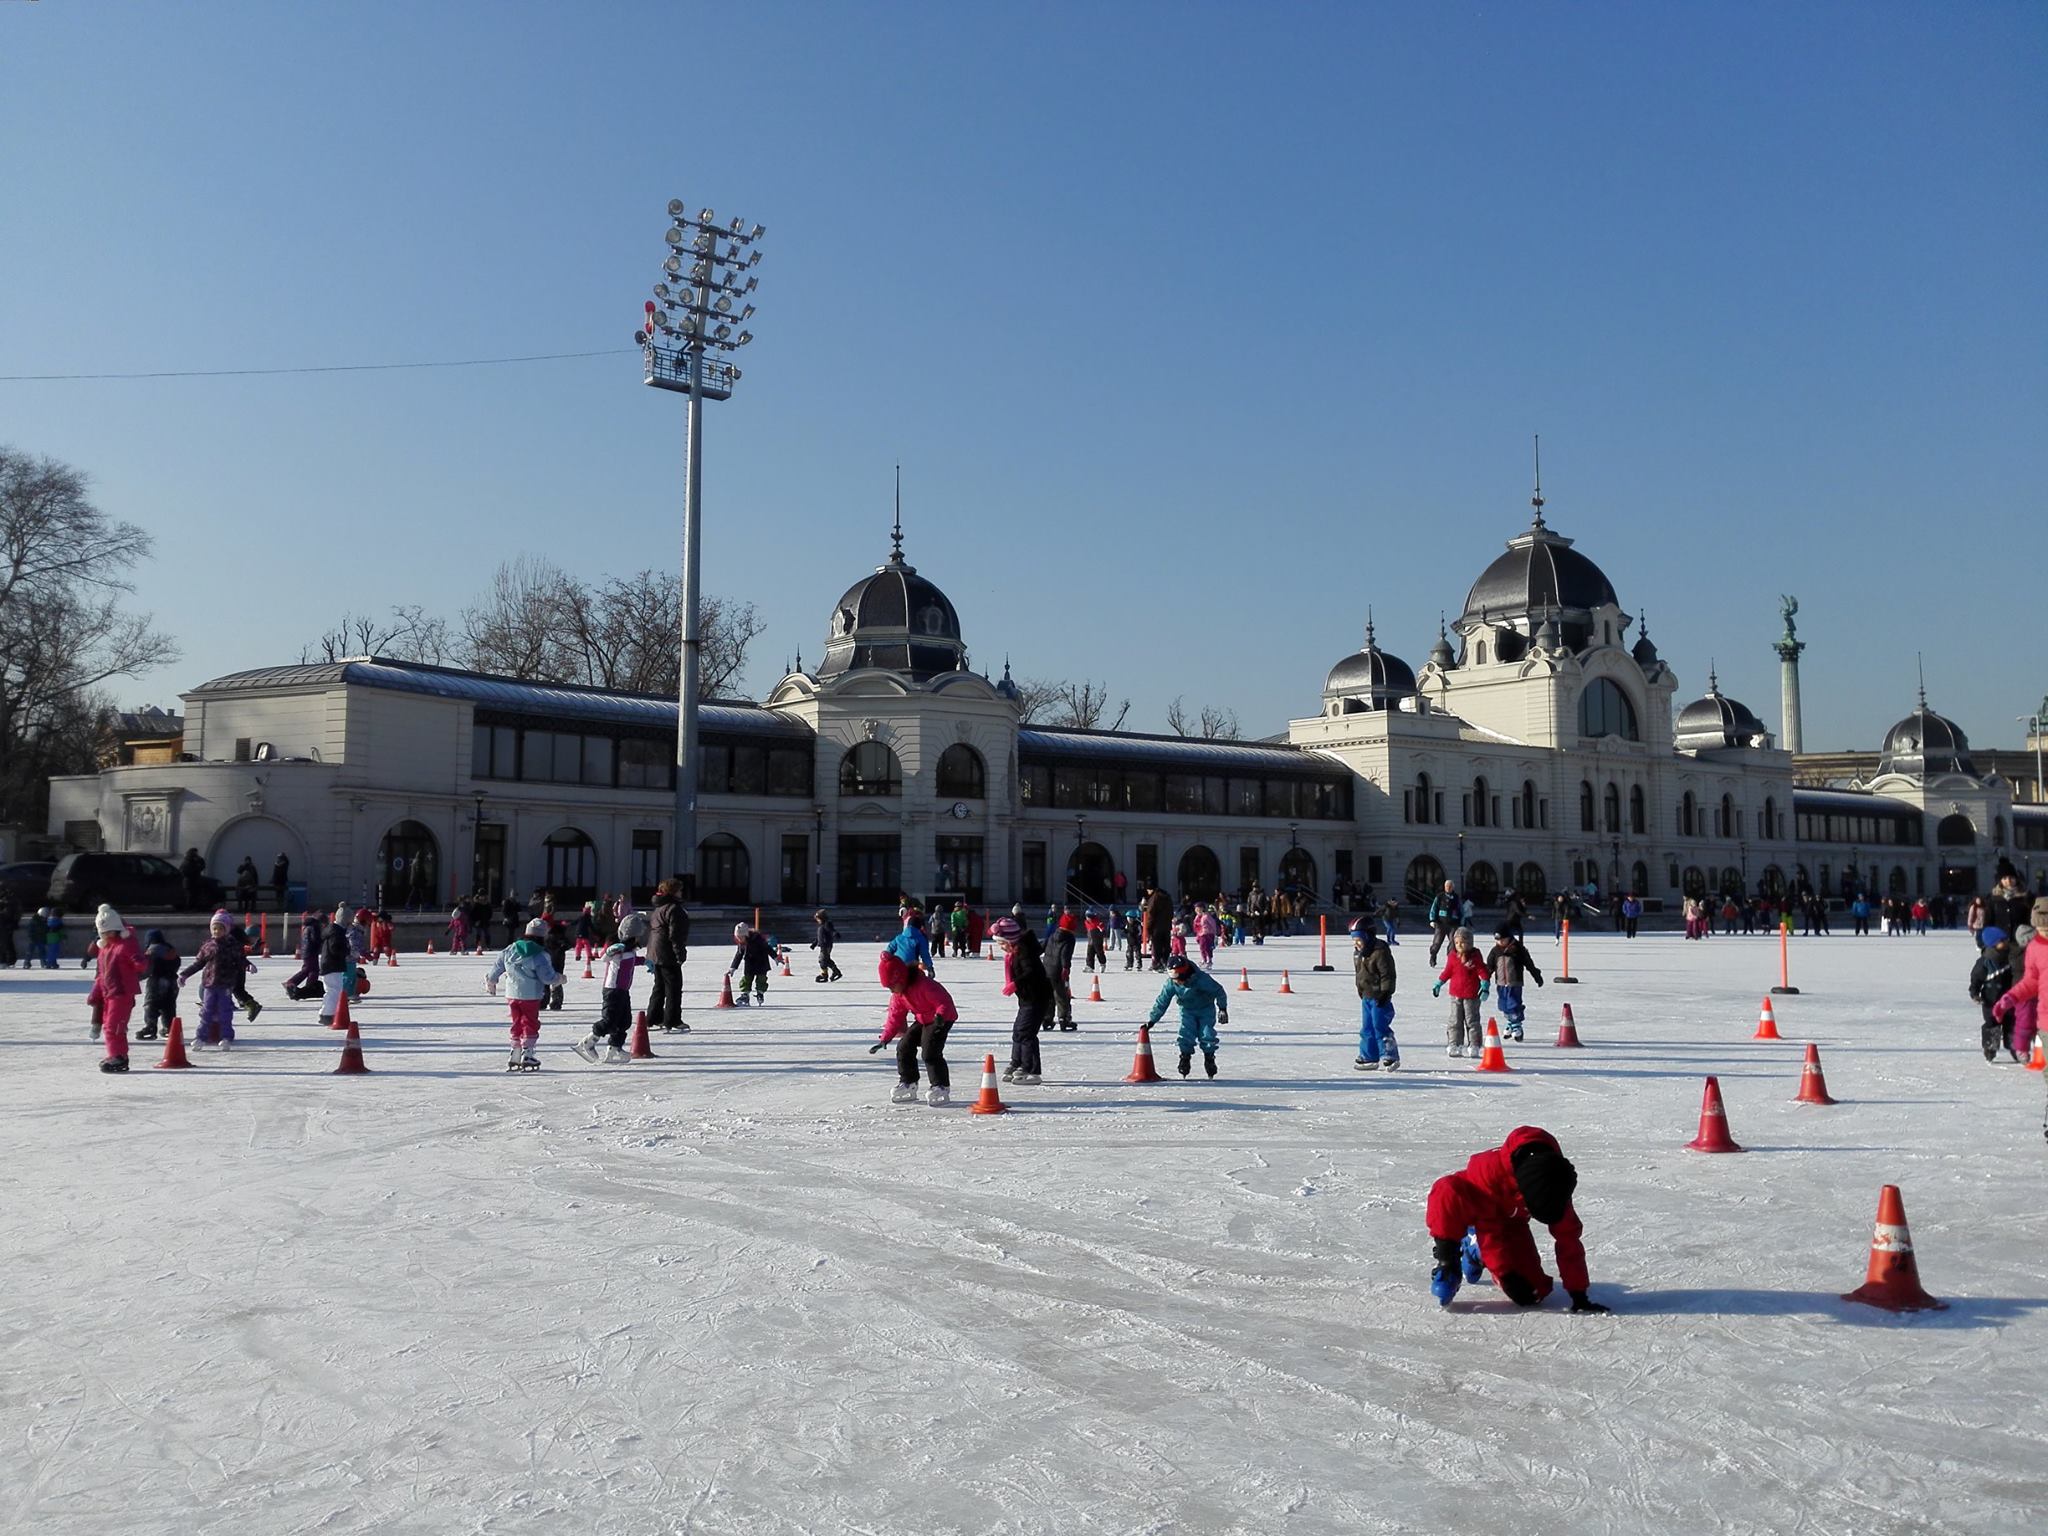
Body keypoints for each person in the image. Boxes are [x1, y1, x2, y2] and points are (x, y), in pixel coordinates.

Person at [1426, 1126, 1607, 1312]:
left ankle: (1477, 1253)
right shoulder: (1490, 1172)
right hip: (1477, 1211)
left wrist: (1578, 1294)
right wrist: (1506, 1275)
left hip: (1513, 1220)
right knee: (1446, 1189)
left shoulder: (1554, 1179)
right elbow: (1490, 1229)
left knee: (1534, 1293)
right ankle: (1450, 1262)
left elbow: (1568, 1237)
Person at [881, 949, 958, 1105]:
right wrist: (885, 1038)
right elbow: (894, 1016)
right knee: (904, 1046)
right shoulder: (899, 995)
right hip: (923, 1018)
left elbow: (944, 1001)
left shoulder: (924, 985)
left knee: (930, 1052)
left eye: (892, 986)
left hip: (942, 1018)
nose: (891, 990)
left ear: (901, 979)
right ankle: (908, 1083)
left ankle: (940, 1086)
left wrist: (940, 1016)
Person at [487, 917, 563, 1071]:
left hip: (512, 995)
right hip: (531, 995)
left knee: (516, 1022)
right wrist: (559, 978)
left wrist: (492, 980)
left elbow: (497, 966)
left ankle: (515, 1052)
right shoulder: (540, 955)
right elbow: (546, 977)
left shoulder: (510, 949)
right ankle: (527, 1053)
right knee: (530, 1022)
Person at [574, 911, 647, 1064]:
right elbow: (604, 957)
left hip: (623, 990)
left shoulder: (630, 951)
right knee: (609, 1021)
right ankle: (587, 1043)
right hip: (612, 990)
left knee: (624, 1021)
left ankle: (614, 1048)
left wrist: (644, 961)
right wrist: (610, 950)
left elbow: (631, 960)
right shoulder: (618, 948)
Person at [1145, 952, 1231, 1079]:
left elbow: (1219, 991)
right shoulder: (1171, 983)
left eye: (1177, 977)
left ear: (1185, 974)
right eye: (1173, 977)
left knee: (1207, 1033)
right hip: (1187, 1010)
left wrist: (1222, 1008)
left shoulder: (1201, 979)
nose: (1176, 981)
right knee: (1186, 1032)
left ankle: (1209, 1057)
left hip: (1205, 1009)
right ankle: (1185, 1057)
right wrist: (1152, 1020)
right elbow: (1162, 1001)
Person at [179, 909, 249, 1050]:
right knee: (207, 1011)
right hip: (209, 984)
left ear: (227, 929)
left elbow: (240, 959)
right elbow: (198, 963)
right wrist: (184, 974)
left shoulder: (232, 945)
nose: (216, 931)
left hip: (225, 985)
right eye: (214, 928)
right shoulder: (208, 946)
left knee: (225, 1012)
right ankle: (200, 1037)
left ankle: (226, 1037)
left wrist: (248, 965)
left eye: (220, 928)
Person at [993, 916, 1050, 1085]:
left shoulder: (1025, 951)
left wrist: (1015, 984)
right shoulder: (1017, 952)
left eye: (1002, 943)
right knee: (1018, 1031)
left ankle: (1031, 1070)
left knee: (1026, 1033)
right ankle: (1016, 1062)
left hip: (1037, 998)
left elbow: (1032, 972)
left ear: (1011, 940)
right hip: (1027, 999)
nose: (1001, 948)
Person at [87, 905, 142, 1073]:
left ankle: (118, 1055)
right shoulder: (105, 949)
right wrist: (95, 993)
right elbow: (102, 975)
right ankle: (118, 1055)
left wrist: (139, 960)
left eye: (109, 932)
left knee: (113, 1026)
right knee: (110, 1027)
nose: (106, 936)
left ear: (117, 930)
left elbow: (139, 964)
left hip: (121, 993)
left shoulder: (124, 946)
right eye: (103, 933)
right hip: (108, 994)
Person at [1432, 926, 1489, 1059]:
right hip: (1456, 994)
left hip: (1472, 995)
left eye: (1462, 942)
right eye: (1456, 942)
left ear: (1469, 943)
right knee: (1455, 1020)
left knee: (1472, 1020)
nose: (1459, 945)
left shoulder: (1475, 956)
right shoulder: (1452, 956)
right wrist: (1439, 983)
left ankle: (1474, 1044)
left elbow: (1482, 971)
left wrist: (1485, 985)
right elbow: (1447, 972)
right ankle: (1454, 1044)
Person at [1351, 917, 1400, 1071]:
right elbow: (1359, 973)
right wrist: (1360, 989)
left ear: (1368, 936)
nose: (1356, 943)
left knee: (1380, 1026)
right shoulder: (1358, 954)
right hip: (1366, 996)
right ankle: (1368, 1056)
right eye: (1354, 940)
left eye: (1358, 939)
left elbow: (1388, 974)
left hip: (1380, 997)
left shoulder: (1380, 952)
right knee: (1367, 1028)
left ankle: (1389, 1055)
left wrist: (1386, 992)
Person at [1483, 925, 1545, 1042]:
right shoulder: (1495, 951)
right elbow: (1489, 967)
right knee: (1503, 1005)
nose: (1500, 942)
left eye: (1502, 939)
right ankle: (1511, 1023)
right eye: (1497, 940)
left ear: (1509, 937)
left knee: (1513, 1004)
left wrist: (1537, 976)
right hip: (1501, 983)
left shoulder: (1518, 949)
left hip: (1514, 983)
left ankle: (1517, 1025)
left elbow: (1528, 963)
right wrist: (1484, 980)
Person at [646, 879, 691, 1030]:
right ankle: (672, 1020)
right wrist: (680, 954)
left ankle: (654, 1017)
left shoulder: (659, 908)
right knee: (673, 987)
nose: (681, 892)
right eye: (679, 890)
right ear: (673, 892)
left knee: (659, 986)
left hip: (655, 952)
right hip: (667, 953)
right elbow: (676, 935)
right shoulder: (674, 909)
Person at [1970, 928, 2019, 1062]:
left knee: (2012, 1023)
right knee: (1992, 1024)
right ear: (1993, 943)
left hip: (2009, 998)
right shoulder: (1985, 961)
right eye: (2002, 941)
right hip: (1990, 999)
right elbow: (1976, 978)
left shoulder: (2011, 956)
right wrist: (1974, 992)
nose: (2006, 942)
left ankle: (2016, 1048)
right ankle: (1990, 1047)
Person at [317, 905, 356, 1026]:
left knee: (332, 990)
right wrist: (347, 951)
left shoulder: (333, 930)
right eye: (350, 921)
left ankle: (327, 1013)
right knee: (334, 990)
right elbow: (335, 948)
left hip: (329, 963)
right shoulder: (336, 932)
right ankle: (327, 1015)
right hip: (332, 964)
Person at [138, 927, 179, 1043]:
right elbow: (177, 963)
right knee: (168, 1007)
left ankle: (150, 1027)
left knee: (151, 1005)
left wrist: (136, 978)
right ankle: (169, 1028)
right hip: (172, 982)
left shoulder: (151, 951)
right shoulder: (171, 950)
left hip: (156, 982)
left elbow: (146, 969)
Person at [1044, 910, 1079, 1029]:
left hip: (1046, 969)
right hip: (1058, 970)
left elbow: (1042, 946)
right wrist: (1066, 968)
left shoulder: (1053, 934)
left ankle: (1047, 1019)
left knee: (1048, 995)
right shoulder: (1069, 938)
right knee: (1062, 995)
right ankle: (1064, 1019)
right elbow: (1065, 954)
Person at [727, 921, 774, 1006]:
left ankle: (760, 993)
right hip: (749, 962)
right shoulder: (742, 943)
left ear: (746, 935)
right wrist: (733, 967)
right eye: (738, 937)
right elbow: (739, 954)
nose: (739, 939)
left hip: (761, 962)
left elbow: (768, 948)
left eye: (741, 937)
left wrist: (776, 957)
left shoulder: (758, 939)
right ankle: (745, 995)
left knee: (761, 979)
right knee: (746, 978)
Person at [1427, 881, 1460, 965]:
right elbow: (1434, 909)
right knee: (1437, 942)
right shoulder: (1439, 897)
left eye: (1450, 886)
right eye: (1447, 886)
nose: (1448, 888)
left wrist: (1462, 922)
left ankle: (1450, 960)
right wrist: (1432, 920)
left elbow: (1461, 910)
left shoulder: (1456, 897)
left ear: (1453, 887)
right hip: (1440, 923)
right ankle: (1433, 956)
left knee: (1453, 943)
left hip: (1453, 924)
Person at [810, 908, 843, 983]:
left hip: (826, 945)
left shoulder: (827, 924)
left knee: (822, 960)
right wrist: (814, 943)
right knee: (826, 960)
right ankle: (835, 972)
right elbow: (819, 936)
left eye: (818, 919)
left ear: (822, 918)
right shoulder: (822, 926)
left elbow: (831, 930)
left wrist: (835, 934)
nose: (817, 921)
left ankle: (825, 974)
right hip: (823, 945)